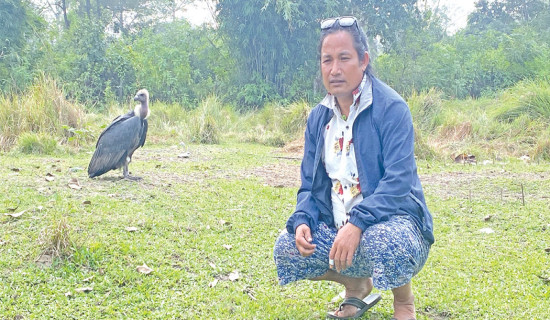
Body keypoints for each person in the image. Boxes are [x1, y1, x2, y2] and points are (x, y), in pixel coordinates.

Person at [273, 16, 434, 320]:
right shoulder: (318, 118)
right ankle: (356, 284)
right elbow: (309, 185)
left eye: (344, 58)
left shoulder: (391, 109)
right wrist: (304, 219)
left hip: (394, 226)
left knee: (384, 241)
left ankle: (404, 302)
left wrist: (358, 224)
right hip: (339, 232)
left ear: (363, 61)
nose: (334, 69)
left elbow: (398, 183)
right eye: (327, 60)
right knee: (287, 246)